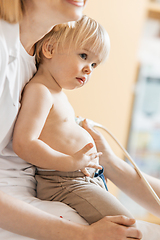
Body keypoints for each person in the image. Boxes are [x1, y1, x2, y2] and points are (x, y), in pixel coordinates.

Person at [0, 0, 142, 239]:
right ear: (51, 50)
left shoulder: (42, 75)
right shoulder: (39, 87)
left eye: (94, 64)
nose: (89, 69)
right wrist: (70, 161)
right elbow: (25, 143)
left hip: (79, 175)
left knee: (129, 226)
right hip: (63, 178)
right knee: (129, 229)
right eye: (84, 56)